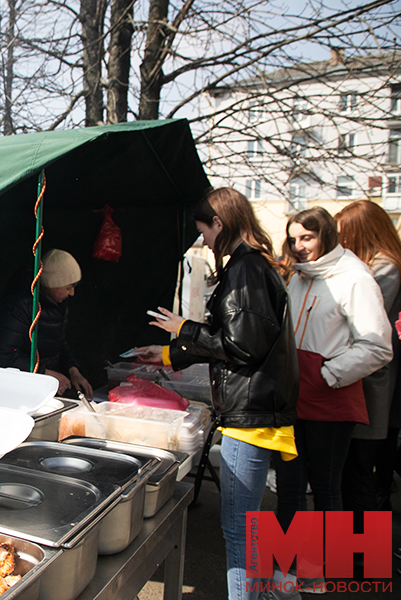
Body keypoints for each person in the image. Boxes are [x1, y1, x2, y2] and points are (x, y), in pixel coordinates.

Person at [135, 188, 298, 600]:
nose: (203, 239)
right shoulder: (252, 267)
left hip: (251, 417)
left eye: (203, 230)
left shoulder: (246, 269)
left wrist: (183, 330)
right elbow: (236, 338)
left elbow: (243, 344)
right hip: (256, 412)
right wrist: (173, 350)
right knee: (248, 527)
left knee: (238, 529)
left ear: (220, 224)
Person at [273, 206, 392, 591]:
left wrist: (331, 373)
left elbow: (378, 345)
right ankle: (285, 571)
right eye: (293, 239)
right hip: (295, 396)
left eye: (306, 237)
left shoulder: (355, 278)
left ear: (326, 234)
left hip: (330, 397)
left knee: (326, 487)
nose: (299, 246)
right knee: (291, 485)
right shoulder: (299, 277)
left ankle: (322, 574)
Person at [334, 200, 401, 519]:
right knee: (355, 475)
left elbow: (361, 325)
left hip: (371, 388)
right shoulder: (372, 266)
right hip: (362, 385)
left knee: (363, 476)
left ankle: (364, 561)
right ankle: (356, 556)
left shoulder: (384, 268)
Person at [0, 249, 93, 397]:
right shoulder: (22, 306)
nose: (72, 293)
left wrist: (73, 370)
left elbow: (59, 342)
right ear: (52, 284)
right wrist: (45, 373)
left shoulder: (60, 305)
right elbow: (4, 355)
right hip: (20, 388)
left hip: (46, 385)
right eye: (68, 288)